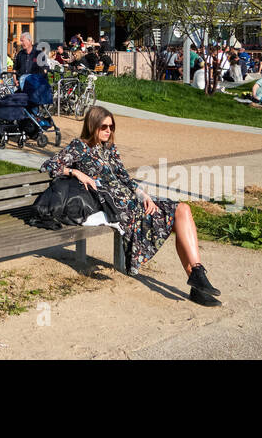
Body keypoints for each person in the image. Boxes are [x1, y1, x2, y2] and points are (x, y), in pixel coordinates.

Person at [40, 106, 220, 306]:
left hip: (130, 200)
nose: (109, 130)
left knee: (183, 209)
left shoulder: (110, 149)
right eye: (104, 126)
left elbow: (125, 178)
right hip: (115, 206)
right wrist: (76, 173)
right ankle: (196, 284)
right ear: (92, 126)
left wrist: (143, 195)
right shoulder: (79, 147)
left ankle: (197, 274)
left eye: (111, 126)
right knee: (175, 217)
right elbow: (49, 165)